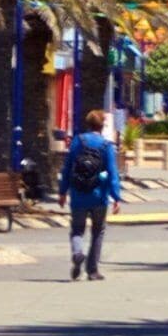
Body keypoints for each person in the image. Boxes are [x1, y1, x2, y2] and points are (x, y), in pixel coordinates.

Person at [60, 108, 122, 281]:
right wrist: (116, 197)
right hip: (99, 195)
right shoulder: (106, 146)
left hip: (78, 194)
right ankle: (92, 270)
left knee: (77, 230)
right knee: (98, 230)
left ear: (88, 124)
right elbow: (112, 172)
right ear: (102, 126)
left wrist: (62, 191)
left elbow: (67, 168)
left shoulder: (77, 142)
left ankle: (78, 252)